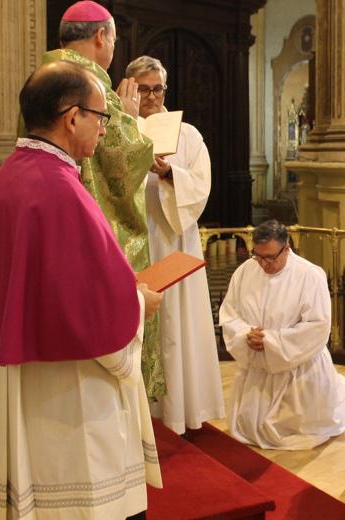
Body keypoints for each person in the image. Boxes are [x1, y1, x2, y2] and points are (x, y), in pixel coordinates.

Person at [0, 61, 163, 519]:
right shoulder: (61, 191)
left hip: (16, 380)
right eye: (102, 117)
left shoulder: (4, 180)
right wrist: (141, 302)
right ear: (71, 116)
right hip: (63, 397)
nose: (104, 130)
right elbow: (98, 317)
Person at [41, 0, 163, 398]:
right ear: (101, 36)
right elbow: (125, 157)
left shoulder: (42, 77)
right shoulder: (93, 86)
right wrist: (128, 115)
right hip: (92, 227)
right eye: (113, 39)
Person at [126, 55, 224, 434]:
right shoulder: (120, 131)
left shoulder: (188, 135)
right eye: (144, 89)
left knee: (176, 323)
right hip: (137, 237)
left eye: (157, 89)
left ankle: (179, 411)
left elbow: (201, 184)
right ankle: (143, 414)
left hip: (174, 236)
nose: (151, 96)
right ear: (131, 87)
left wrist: (170, 173)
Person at [219, 220, 345, 449]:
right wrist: (245, 334)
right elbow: (230, 314)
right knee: (251, 424)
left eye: (270, 257)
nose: (264, 264)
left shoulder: (310, 275)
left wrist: (271, 341)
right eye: (258, 256)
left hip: (298, 369)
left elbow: (317, 326)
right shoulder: (245, 271)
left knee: (296, 430)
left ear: (287, 248)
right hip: (259, 366)